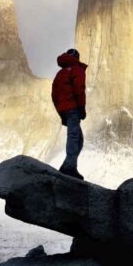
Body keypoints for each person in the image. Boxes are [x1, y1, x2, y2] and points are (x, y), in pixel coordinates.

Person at [51, 48, 88, 180]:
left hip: (64, 110)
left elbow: (54, 94)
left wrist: (61, 112)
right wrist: (81, 108)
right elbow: (79, 89)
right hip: (73, 108)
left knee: (78, 138)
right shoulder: (77, 69)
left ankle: (68, 164)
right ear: (77, 58)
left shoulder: (60, 73)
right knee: (74, 137)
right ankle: (70, 167)